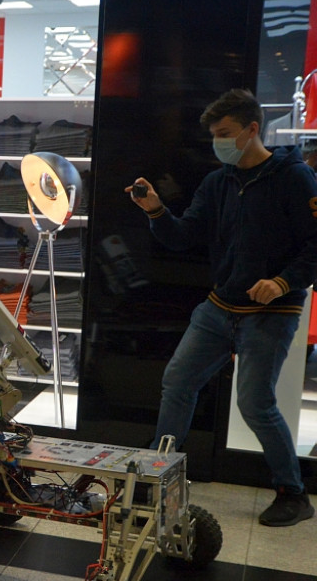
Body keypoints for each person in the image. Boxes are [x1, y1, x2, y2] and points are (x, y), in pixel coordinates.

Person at [126, 88, 317, 527]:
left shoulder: (295, 178)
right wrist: (156, 210)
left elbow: (314, 245)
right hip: (219, 306)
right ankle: (158, 478)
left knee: (254, 403)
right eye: (215, 134)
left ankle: (293, 492)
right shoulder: (218, 183)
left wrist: (283, 281)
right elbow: (182, 236)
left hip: (272, 312)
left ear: (253, 129)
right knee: (177, 381)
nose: (219, 142)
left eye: (226, 133)